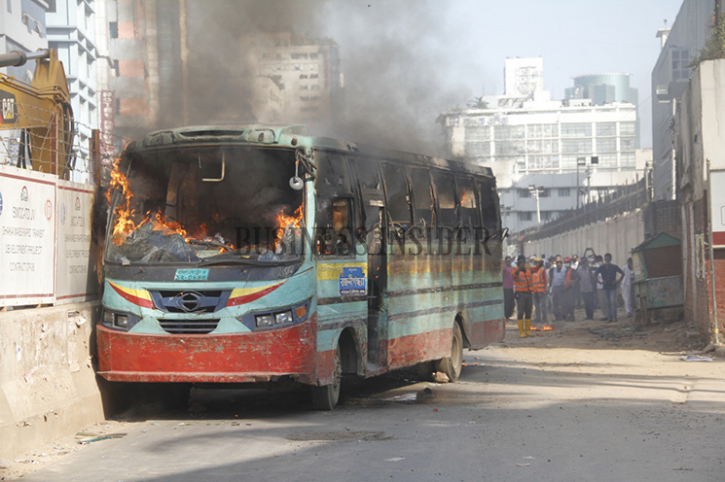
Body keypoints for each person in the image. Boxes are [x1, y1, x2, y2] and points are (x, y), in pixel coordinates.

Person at [595, 253, 624, 322]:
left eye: (608, 258)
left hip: (612, 286)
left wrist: (617, 281)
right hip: (606, 287)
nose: (606, 259)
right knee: (607, 302)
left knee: (613, 302)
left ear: (610, 259)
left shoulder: (614, 267)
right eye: (606, 258)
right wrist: (599, 282)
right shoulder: (602, 267)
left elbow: (623, 273)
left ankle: (613, 317)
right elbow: (594, 275)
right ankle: (610, 317)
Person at [511, 254, 533, 338]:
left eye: (523, 260)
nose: (522, 262)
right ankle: (521, 332)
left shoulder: (527, 270)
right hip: (520, 294)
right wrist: (519, 270)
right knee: (520, 312)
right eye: (520, 260)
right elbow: (513, 277)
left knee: (528, 312)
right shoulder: (515, 269)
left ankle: (527, 331)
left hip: (528, 293)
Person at [530, 257, 548, 326]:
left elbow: (545, 280)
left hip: (541, 291)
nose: (536, 264)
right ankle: (538, 318)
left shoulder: (542, 270)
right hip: (535, 291)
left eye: (537, 263)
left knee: (543, 305)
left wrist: (545, 289)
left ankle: (544, 318)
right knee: (537, 306)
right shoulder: (533, 270)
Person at [562, 256, 579, 321]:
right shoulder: (566, 271)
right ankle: (568, 316)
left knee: (571, 304)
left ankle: (572, 317)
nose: (566, 264)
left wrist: (573, 284)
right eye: (565, 263)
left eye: (567, 262)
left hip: (571, 290)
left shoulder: (573, 271)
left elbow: (578, 278)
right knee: (567, 304)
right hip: (566, 289)